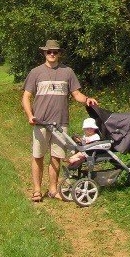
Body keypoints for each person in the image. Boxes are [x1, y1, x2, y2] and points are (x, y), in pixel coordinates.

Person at [21, 39, 99, 201]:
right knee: (38, 156)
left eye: (55, 52)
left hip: (60, 123)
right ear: (44, 53)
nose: (52, 54)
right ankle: (36, 190)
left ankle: (53, 190)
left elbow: (76, 94)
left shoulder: (68, 72)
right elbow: (26, 97)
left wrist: (87, 100)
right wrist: (30, 116)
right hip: (40, 122)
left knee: (56, 157)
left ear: (59, 54)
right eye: (49, 52)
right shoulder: (35, 72)